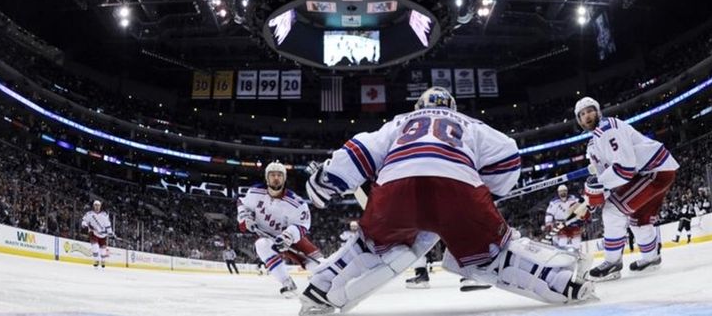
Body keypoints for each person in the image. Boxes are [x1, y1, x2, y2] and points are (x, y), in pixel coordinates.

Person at [299, 87, 593, 315]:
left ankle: (320, 287)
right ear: (451, 107)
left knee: (368, 245)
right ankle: (560, 282)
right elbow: (509, 157)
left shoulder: (400, 121)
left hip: (395, 186)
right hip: (458, 185)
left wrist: (328, 181)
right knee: (494, 255)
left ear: (419, 107)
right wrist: (486, 192)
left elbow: (360, 149)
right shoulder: (470, 123)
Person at [576, 97, 679, 281]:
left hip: (652, 171)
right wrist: (590, 201)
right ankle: (651, 258)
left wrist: (597, 188)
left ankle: (613, 262)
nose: (587, 116)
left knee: (613, 210)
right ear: (579, 121)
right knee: (639, 218)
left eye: (590, 110)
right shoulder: (593, 144)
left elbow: (624, 170)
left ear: (598, 111)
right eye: (582, 114)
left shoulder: (608, 128)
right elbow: (608, 178)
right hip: (656, 170)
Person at [237, 161, 322, 297]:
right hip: (267, 236)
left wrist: (288, 236)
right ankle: (287, 283)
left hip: (291, 238)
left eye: (279, 175)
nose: (276, 178)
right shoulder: (254, 192)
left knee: (317, 264)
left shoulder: (296, 203)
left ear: (284, 178)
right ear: (266, 178)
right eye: (272, 175)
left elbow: (303, 225)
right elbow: (241, 203)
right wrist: (245, 217)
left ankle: (326, 281)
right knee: (261, 244)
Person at [544, 185, 589, 251]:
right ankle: (561, 256)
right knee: (562, 241)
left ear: (567, 191)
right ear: (558, 192)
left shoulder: (573, 198)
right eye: (561, 191)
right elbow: (549, 213)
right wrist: (548, 222)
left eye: (564, 191)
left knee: (577, 241)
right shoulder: (554, 202)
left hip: (573, 223)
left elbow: (580, 206)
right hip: (560, 224)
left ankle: (578, 254)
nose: (563, 192)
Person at [81, 200, 114, 269]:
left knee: (103, 250)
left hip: (103, 235)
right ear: (93, 206)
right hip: (93, 233)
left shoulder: (104, 215)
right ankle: (96, 260)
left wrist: (110, 233)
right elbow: (84, 221)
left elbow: (108, 225)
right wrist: (84, 224)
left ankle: (103, 260)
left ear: (100, 206)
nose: (97, 207)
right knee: (95, 247)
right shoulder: (89, 214)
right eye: (95, 205)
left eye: (98, 205)